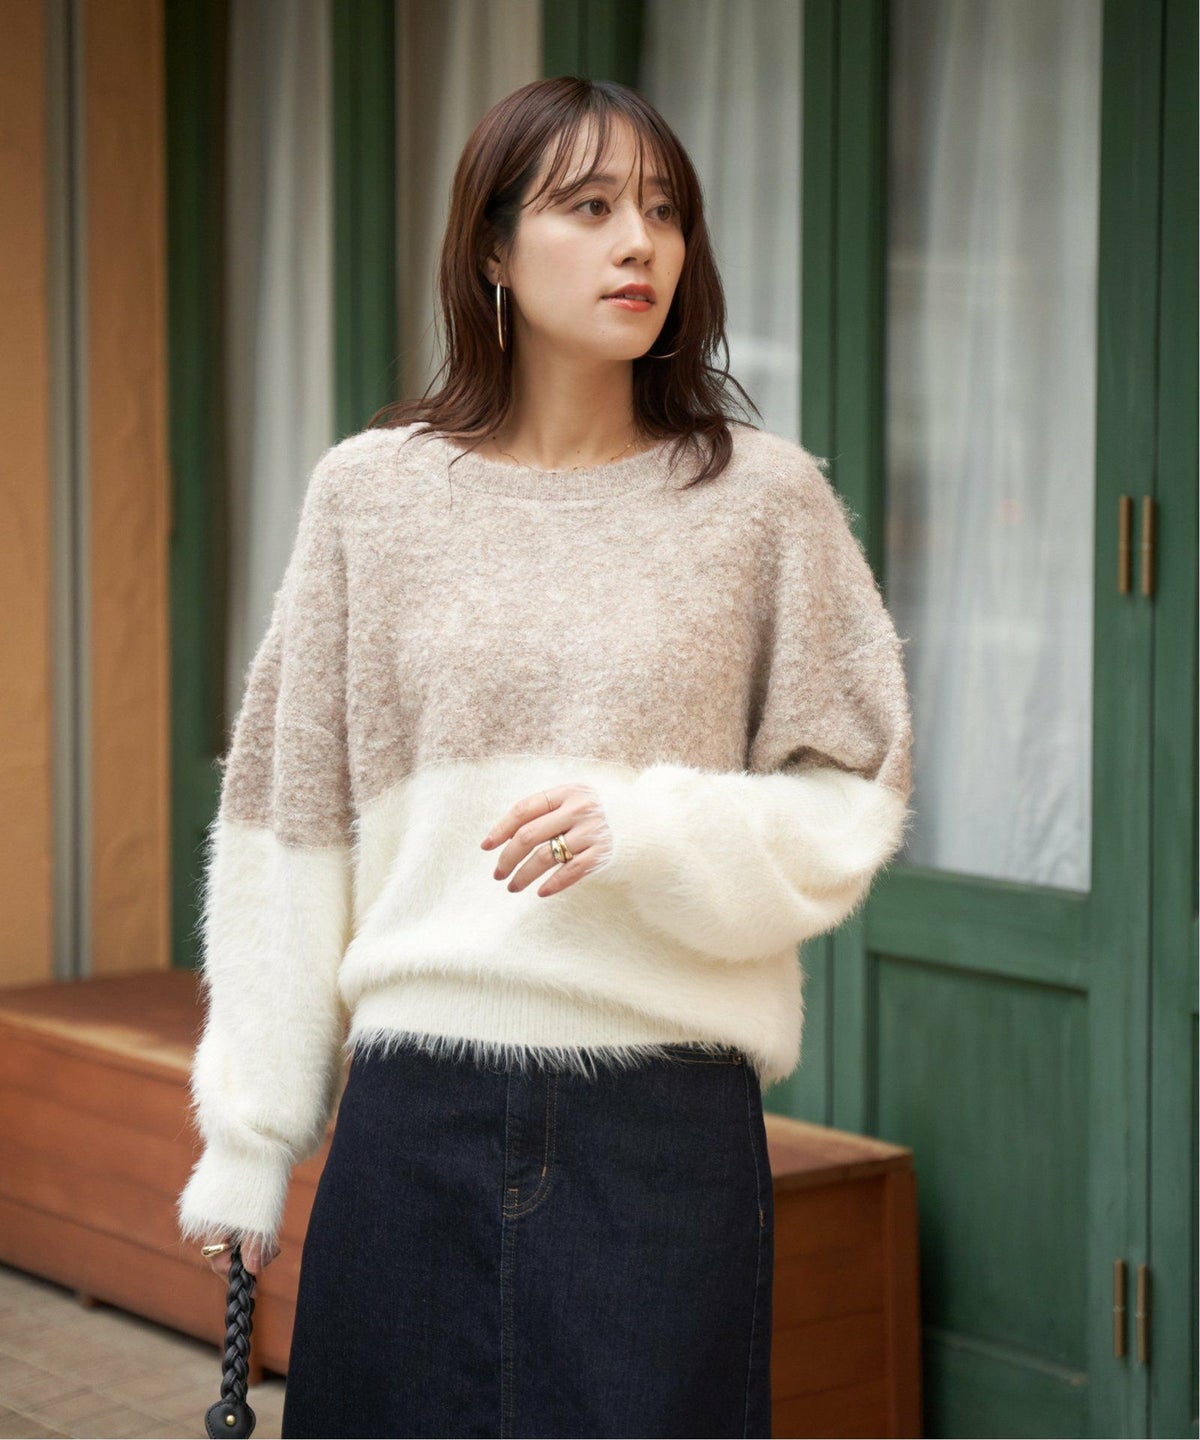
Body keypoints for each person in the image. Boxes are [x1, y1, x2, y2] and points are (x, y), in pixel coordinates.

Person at [177, 75, 913, 1440]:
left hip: (663, 1124)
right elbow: (290, 818)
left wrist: (653, 830)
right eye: (590, 207)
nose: (641, 243)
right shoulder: (371, 495)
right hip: (416, 1115)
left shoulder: (763, 501)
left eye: (665, 211)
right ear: (493, 253)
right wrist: (251, 1135)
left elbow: (852, 794)